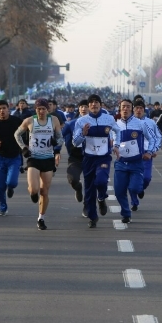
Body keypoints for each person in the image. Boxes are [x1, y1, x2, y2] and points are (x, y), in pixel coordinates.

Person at [14, 98, 65, 230]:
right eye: (38, 109)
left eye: (43, 109)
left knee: (44, 191)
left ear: (47, 109)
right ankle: (32, 194)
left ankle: (41, 218)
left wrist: (56, 142)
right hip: (34, 158)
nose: (41, 111)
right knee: (34, 189)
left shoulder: (53, 120)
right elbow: (17, 134)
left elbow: (60, 138)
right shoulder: (29, 121)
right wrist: (23, 148)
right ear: (35, 109)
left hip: (48, 159)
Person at [72, 94, 121, 228]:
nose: (94, 105)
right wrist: (83, 133)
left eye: (96, 102)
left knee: (100, 180)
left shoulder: (108, 118)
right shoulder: (81, 121)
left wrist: (116, 146)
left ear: (100, 105)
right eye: (91, 103)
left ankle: (101, 198)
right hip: (88, 158)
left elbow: (118, 132)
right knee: (89, 189)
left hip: (103, 157)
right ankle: (93, 217)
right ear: (88, 106)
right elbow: (75, 142)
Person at [114, 99, 159, 224]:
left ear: (131, 108)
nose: (125, 109)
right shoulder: (115, 125)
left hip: (136, 163)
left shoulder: (140, 124)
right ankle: (126, 213)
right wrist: (113, 147)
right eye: (123, 106)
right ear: (120, 108)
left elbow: (153, 139)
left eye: (128, 106)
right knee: (119, 191)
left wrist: (149, 152)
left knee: (134, 188)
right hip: (121, 163)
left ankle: (135, 195)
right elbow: (109, 141)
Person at [0, 99, 23, 216]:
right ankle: (3, 207)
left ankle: (10, 188)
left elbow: (26, 132)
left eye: (4, 108)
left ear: (8, 109)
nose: (2, 111)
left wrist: (25, 145)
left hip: (14, 157)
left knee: (11, 182)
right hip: (0, 158)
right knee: (0, 186)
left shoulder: (16, 121)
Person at [130, 98, 160, 211]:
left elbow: (157, 137)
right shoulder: (128, 122)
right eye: (136, 108)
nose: (138, 110)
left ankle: (141, 189)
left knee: (146, 178)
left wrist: (154, 150)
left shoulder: (151, 122)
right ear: (133, 110)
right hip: (132, 156)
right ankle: (134, 202)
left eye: (141, 108)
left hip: (146, 155)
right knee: (132, 181)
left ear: (144, 110)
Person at [61, 100, 88, 218]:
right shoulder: (71, 124)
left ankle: (87, 206)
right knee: (72, 179)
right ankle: (78, 188)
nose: (84, 108)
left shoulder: (98, 123)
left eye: (86, 106)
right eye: (82, 106)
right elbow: (59, 137)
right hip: (75, 156)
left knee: (91, 184)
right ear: (79, 108)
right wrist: (55, 150)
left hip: (91, 157)